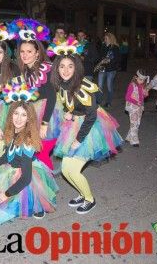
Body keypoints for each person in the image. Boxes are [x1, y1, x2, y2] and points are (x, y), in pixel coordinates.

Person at [50, 41, 122, 215]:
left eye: (70, 66)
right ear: (57, 69)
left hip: (89, 130)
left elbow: (91, 116)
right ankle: (82, 194)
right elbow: (72, 105)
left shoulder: (83, 87)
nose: (65, 70)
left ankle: (90, 199)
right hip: (76, 124)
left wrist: (77, 140)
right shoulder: (62, 85)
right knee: (66, 169)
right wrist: (70, 114)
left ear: (77, 67)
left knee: (72, 169)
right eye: (62, 67)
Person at [0, 83, 58, 224]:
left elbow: (26, 178)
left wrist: (6, 193)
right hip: (12, 170)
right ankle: (15, 199)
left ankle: (33, 201)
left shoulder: (27, 141)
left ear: (29, 118)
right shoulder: (13, 130)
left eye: (23, 115)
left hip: (24, 179)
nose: (19, 118)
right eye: (16, 113)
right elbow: (6, 156)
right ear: (11, 115)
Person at [11, 18, 58, 170]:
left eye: (29, 52)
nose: (25, 55)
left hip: (48, 115)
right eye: (22, 52)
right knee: (33, 154)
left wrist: (45, 124)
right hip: (31, 114)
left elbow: (51, 97)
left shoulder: (46, 68)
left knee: (42, 153)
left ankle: (47, 185)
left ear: (37, 53)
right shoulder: (22, 70)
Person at [124, 70, 149, 147]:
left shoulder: (142, 86)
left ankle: (128, 137)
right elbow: (127, 97)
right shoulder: (132, 85)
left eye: (143, 80)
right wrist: (135, 102)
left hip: (140, 107)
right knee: (134, 123)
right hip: (132, 107)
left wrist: (145, 94)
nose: (141, 82)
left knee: (137, 122)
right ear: (136, 77)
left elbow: (142, 96)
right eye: (140, 79)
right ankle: (134, 141)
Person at [96, 32, 120, 107]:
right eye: (105, 38)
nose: (105, 40)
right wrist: (101, 61)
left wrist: (109, 60)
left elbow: (117, 59)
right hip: (103, 68)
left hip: (111, 70)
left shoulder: (115, 47)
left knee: (109, 86)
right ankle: (98, 101)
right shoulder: (103, 46)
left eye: (106, 38)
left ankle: (108, 102)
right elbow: (100, 56)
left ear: (110, 39)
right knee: (99, 86)